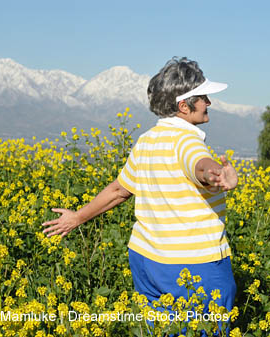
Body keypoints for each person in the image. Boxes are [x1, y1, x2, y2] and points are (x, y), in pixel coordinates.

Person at [42, 57, 238, 336]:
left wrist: (77, 217)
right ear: (184, 106)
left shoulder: (147, 141)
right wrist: (217, 174)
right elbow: (198, 165)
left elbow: (119, 190)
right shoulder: (188, 142)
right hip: (193, 266)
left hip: (147, 260)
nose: (209, 102)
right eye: (203, 97)